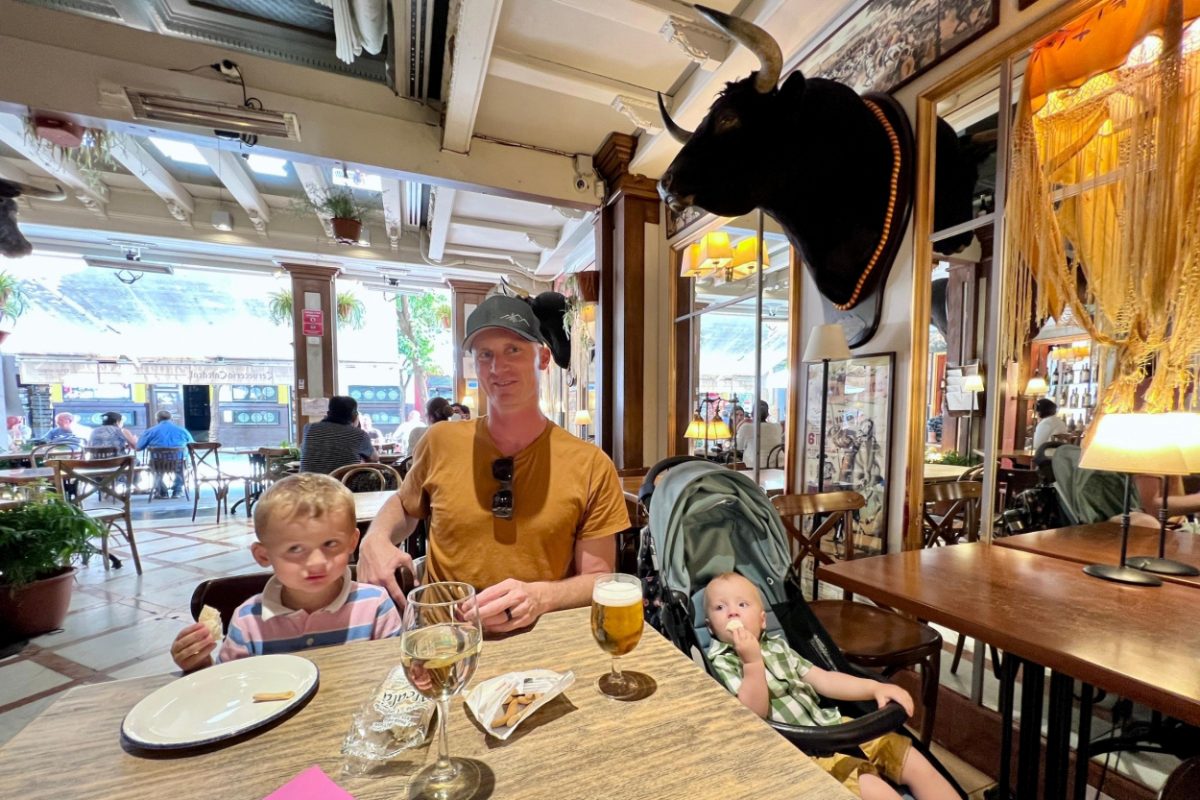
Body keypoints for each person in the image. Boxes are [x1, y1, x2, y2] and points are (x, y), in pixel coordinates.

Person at [357, 293, 630, 634]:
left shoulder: (590, 463)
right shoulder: (441, 440)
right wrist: (376, 538)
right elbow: (405, 505)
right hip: (443, 641)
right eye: (485, 355)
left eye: (513, 350)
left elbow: (598, 579)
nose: (498, 368)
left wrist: (540, 597)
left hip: (541, 645)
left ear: (543, 358)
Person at [704, 573, 957, 800]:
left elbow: (824, 679)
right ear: (710, 626)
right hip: (801, 751)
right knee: (871, 786)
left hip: (831, 724)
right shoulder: (724, 660)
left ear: (762, 621)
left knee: (912, 759)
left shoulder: (778, 647)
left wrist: (874, 688)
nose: (732, 612)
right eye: (720, 607)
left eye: (742, 604)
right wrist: (752, 662)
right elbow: (753, 714)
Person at [169, 474, 401, 671]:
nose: (317, 562)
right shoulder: (249, 621)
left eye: (330, 544)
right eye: (295, 549)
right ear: (263, 555)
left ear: (352, 542)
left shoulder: (376, 607)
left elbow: (394, 677)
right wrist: (198, 663)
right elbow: (231, 687)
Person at [298, 395, 376, 474]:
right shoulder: (359, 435)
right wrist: (356, 426)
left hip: (307, 484)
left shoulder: (309, 428)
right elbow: (374, 459)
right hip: (340, 485)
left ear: (328, 413)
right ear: (354, 415)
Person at [136, 410, 194, 498]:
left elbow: (138, 447)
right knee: (183, 465)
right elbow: (193, 445)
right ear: (171, 419)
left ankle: (162, 491)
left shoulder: (150, 431)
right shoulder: (182, 430)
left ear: (157, 419)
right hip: (178, 463)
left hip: (158, 464)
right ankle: (177, 491)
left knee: (156, 470)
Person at [736, 400, 784, 469]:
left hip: (753, 466)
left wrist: (740, 425)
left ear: (752, 414)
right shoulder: (777, 426)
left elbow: (739, 447)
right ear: (767, 414)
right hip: (778, 465)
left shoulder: (747, 427)